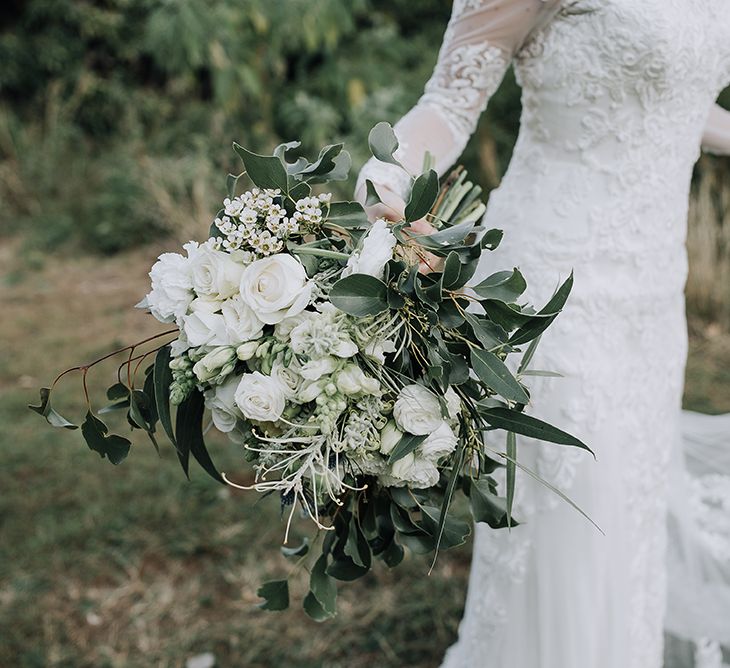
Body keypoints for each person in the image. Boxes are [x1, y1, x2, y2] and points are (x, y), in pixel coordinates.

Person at [355, 2, 730, 667]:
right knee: (574, 529)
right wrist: (389, 178)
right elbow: (449, 100)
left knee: (628, 523)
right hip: (552, 297)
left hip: (653, 295)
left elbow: (675, 93)